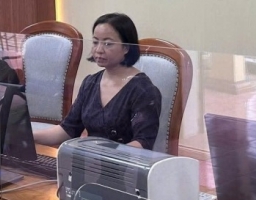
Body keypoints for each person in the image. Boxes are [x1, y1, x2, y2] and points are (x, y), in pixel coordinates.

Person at [32, 13, 162, 150]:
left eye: (108, 44)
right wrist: (29, 136)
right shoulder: (90, 83)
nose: (99, 50)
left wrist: (105, 155)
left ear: (126, 47)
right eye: (95, 42)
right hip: (91, 159)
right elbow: (68, 129)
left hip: (123, 162)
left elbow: (143, 143)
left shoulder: (143, 90)